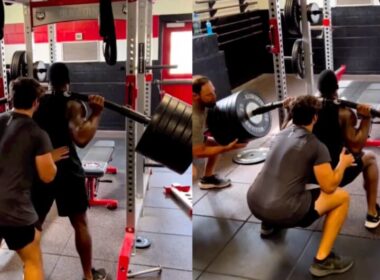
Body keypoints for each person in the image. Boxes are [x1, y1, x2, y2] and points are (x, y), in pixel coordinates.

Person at [247, 95, 355, 277]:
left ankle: (268, 225)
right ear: (315, 117)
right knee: (342, 197)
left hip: (254, 202)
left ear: (292, 115)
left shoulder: (280, 133)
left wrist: (291, 107)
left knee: (288, 176)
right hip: (282, 210)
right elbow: (329, 187)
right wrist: (342, 163)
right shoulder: (316, 145)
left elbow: (291, 123)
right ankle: (323, 260)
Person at [32, 62, 107, 280]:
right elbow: (82, 138)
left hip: (43, 165)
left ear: (49, 80)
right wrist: (96, 113)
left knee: (35, 224)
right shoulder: (72, 105)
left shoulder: (39, 103)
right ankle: (87, 275)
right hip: (66, 168)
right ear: (68, 81)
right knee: (80, 223)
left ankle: (33, 271)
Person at [0, 78, 68, 280]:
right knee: (32, 260)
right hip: (13, 208)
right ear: (36, 103)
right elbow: (47, 176)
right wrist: (50, 160)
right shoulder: (37, 133)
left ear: (11, 99)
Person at [313, 69, 380, 229]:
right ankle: (372, 213)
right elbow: (356, 147)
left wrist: (289, 109)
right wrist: (366, 118)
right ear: (336, 89)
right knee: (369, 158)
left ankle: (270, 218)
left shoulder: (307, 108)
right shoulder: (344, 113)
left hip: (308, 173)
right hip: (333, 174)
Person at [192, 75, 246, 189]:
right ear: (195, 96)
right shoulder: (194, 118)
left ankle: (208, 178)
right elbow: (198, 152)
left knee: (216, 143)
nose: (214, 97)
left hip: (190, 137)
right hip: (175, 143)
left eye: (214, 92)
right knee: (192, 174)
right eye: (209, 95)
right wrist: (228, 147)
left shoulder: (205, 103)